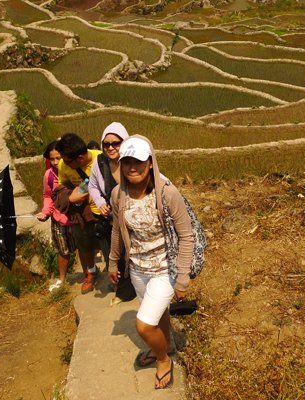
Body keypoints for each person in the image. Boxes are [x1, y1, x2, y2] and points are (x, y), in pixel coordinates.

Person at [108, 135, 194, 390]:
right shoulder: (118, 194)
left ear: (150, 163)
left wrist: (182, 278)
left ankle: (163, 359)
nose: (132, 167)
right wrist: (113, 263)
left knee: (144, 325)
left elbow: (186, 235)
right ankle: (166, 343)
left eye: (139, 161)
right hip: (137, 269)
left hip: (165, 269)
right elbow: (116, 230)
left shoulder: (167, 193)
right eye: (127, 162)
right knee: (158, 314)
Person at [88, 122, 136, 305]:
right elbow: (92, 186)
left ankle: (139, 288)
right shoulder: (99, 163)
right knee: (115, 255)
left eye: (115, 143)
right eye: (106, 144)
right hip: (110, 220)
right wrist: (100, 202)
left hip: (133, 217)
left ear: (125, 142)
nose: (110, 147)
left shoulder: (133, 159)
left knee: (134, 255)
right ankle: (122, 291)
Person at [54, 133, 102, 294]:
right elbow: (62, 187)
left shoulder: (101, 159)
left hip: (104, 211)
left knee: (109, 246)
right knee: (84, 245)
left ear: (80, 158)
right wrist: (70, 197)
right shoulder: (63, 165)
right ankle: (91, 272)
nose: (63, 164)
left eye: (67, 161)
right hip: (81, 213)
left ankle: (114, 275)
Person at [35, 141, 75, 292]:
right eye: (52, 159)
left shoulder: (73, 170)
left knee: (82, 248)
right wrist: (45, 212)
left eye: (59, 158)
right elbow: (47, 196)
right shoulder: (49, 175)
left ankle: (88, 274)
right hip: (58, 219)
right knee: (63, 250)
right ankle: (62, 279)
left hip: (75, 217)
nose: (56, 162)